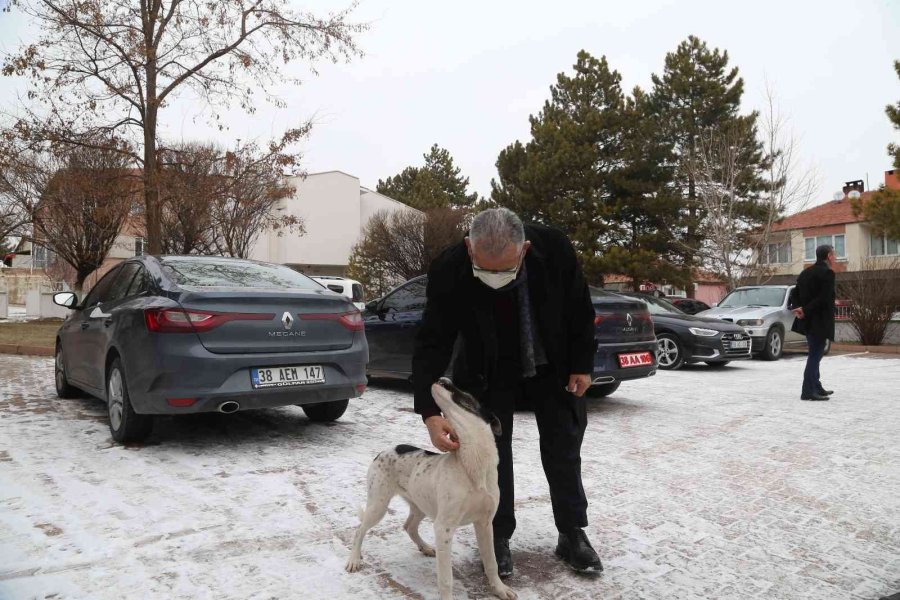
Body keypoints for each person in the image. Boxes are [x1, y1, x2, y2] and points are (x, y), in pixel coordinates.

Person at [412, 207, 602, 577]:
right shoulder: (450, 267)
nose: (496, 277)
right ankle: (497, 537)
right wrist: (429, 412)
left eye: (506, 269)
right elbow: (433, 340)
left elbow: (580, 308)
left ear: (525, 249)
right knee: (490, 454)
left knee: (564, 445)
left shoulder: (555, 249)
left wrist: (582, 363)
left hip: (551, 363)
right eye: (487, 269)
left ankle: (571, 532)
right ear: (470, 248)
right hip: (487, 369)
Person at [791, 244, 837, 401]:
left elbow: (794, 293)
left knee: (815, 354)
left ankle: (816, 386)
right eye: (834, 255)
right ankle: (808, 391)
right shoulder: (828, 273)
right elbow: (823, 299)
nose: (835, 258)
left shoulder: (805, 272)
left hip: (807, 321)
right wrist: (805, 310)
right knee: (814, 356)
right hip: (820, 321)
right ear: (829, 256)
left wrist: (799, 308)